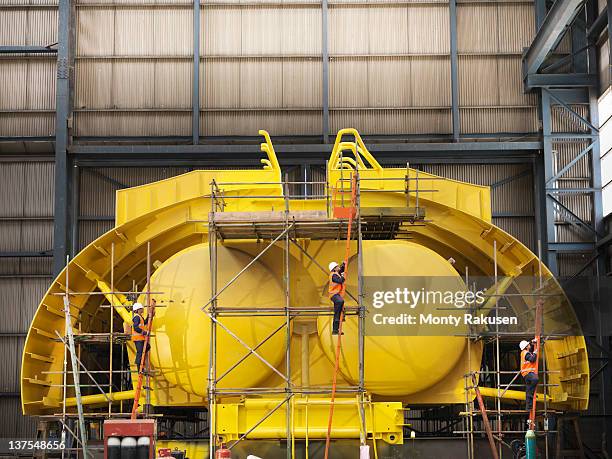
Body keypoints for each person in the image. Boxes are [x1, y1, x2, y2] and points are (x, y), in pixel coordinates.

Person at [132, 301, 153, 373]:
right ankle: (139, 369)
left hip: (141, 338)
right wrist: (144, 332)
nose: (142, 309)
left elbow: (145, 322)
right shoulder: (136, 317)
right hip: (138, 338)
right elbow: (135, 328)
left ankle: (142, 366)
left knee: (147, 347)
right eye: (141, 308)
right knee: (140, 352)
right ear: (137, 310)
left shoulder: (140, 317)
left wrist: (150, 316)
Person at [519, 339, 538, 413]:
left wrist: (534, 347)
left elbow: (531, 356)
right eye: (528, 345)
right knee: (535, 379)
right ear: (526, 347)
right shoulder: (526, 353)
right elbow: (532, 359)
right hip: (528, 373)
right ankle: (531, 395)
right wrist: (535, 353)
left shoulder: (525, 352)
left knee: (528, 389)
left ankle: (528, 407)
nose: (529, 345)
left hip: (526, 373)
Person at [328, 261, 346, 335]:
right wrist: (342, 276)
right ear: (335, 269)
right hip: (333, 294)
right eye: (337, 266)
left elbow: (341, 270)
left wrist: (343, 265)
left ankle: (335, 330)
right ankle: (341, 314)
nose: (339, 267)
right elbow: (340, 280)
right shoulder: (333, 275)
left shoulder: (336, 273)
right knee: (340, 302)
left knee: (337, 313)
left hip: (336, 294)